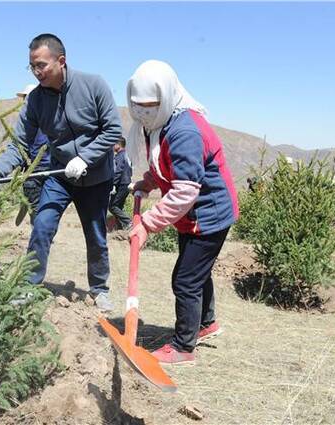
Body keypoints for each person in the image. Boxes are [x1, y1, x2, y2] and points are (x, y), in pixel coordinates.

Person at [0, 34, 122, 311]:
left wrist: (86, 157)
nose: (37, 72)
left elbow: (113, 131)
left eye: (41, 65)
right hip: (59, 175)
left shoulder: (93, 85)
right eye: (32, 67)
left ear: (61, 61)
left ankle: (99, 289)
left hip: (95, 177)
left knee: (95, 235)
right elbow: (20, 142)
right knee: (42, 225)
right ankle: (28, 285)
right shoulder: (35, 100)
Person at [127, 60, 239, 364]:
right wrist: (148, 182)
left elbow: (185, 190)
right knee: (196, 272)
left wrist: (147, 224)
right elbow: (167, 165)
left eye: (150, 106)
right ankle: (205, 323)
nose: (143, 113)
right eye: (138, 107)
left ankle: (183, 345)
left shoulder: (185, 130)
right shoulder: (160, 125)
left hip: (208, 215)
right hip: (193, 215)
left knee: (185, 279)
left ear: (166, 97)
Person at [15, 84, 51, 225]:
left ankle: (39, 235)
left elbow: (26, 146)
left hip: (35, 170)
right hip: (45, 169)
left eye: (25, 98)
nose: (23, 101)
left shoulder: (33, 122)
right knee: (42, 205)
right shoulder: (47, 117)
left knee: (36, 206)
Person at [108, 137, 133, 230]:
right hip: (126, 183)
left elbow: (118, 171)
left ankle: (129, 222)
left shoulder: (120, 156)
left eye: (113, 144)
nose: (112, 146)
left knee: (113, 206)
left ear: (118, 145)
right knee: (118, 207)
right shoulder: (127, 155)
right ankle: (120, 228)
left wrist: (113, 184)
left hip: (121, 184)